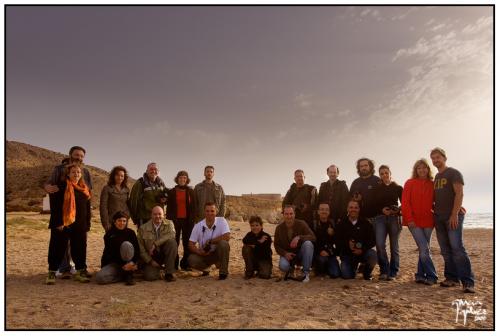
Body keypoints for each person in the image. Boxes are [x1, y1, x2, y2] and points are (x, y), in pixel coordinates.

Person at [430, 147, 475, 293]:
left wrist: (455, 214)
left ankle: (468, 282)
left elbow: (459, 194)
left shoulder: (454, 173)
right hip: (439, 217)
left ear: (444, 158)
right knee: (445, 250)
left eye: (438, 157)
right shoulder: (436, 177)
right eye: (433, 158)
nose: (435, 160)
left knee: (457, 248)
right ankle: (452, 278)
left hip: (452, 217)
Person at [44, 145, 93, 278]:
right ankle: (62, 268)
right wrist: (47, 187)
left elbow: (88, 193)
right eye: (77, 155)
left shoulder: (86, 172)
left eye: (82, 156)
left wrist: (87, 222)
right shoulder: (59, 171)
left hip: (79, 218)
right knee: (59, 244)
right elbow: (49, 186)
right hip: (63, 216)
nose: (79, 157)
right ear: (71, 154)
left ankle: (79, 269)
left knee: (79, 245)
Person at [401, 159, 438, 286]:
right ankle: (432, 276)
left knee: (424, 249)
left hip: (428, 221)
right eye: (419, 168)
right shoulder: (409, 183)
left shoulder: (432, 184)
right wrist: (410, 219)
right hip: (414, 222)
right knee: (424, 248)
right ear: (415, 170)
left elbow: (437, 201)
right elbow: (405, 203)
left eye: (424, 168)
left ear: (428, 169)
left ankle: (420, 275)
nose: (422, 170)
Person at [372, 165, 403, 281]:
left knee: (394, 246)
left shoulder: (398, 187)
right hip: (380, 218)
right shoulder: (377, 189)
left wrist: (398, 209)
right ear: (380, 176)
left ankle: (393, 272)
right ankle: (384, 270)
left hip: (394, 218)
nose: (384, 175)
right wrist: (382, 210)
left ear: (390, 173)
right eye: (382, 173)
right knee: (380, 245)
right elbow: (373, 204)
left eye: (386, 173)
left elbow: (404, 202)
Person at [188, 202, 231, 280]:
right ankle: (206, 269)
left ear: (216, 212)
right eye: (207, 211)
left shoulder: (222, 221)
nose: (209, 213)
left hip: (218, 253)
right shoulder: (198, 226)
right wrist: (199, 251)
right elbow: (191, 244)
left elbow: (227, 236)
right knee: (191, 259)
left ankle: (223, 272)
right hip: (204, 255)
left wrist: (211, 241)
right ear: (204, 212)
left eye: (212, 211)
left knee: (224, 244)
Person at [336, 200, 377, 280]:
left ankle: (366, 272)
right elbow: (337, 241)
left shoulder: (366, 223)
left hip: (362, 253)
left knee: (373, 255)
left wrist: (362, 249)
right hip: (347, 254)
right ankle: (354, 269)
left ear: (359, 209)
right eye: (351, 207)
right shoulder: (341, 224)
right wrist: (347, 244)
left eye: (356, 207)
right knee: (347, 276)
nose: (353, 209)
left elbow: (372, 240)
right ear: (347, 209)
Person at [95, 211, 140, 285]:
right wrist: (123, 266)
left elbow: (137, 250)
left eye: (124, 221)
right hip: (114, 263)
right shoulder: (109, 235)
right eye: (119, 220)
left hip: (129, 263)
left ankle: (128, 274)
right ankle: (122, 276)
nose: (122, 223)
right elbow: (110, 253)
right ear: (114, 221)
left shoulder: (131, 233)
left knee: (126, 245)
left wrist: (132, 263)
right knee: (100, 278)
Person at [274, 205, 316, 283]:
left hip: (300, 254)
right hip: (287, 255)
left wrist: (299, 237)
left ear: (294, 214)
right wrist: (285, 253)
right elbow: (276, 245)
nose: (289, 216)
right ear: (283, 215)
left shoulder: (302, 223)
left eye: (291, 213)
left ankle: (305, 273)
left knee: (308, 244)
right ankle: (291, 269)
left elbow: (313, 237)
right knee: (283, 266)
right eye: (286, 214)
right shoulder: (279, 228)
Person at [137, 206, 177, 282]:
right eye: (155, 214)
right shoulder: (143, 228)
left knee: (172, 243)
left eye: (159, 214)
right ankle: (160, 270)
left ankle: (169, 272)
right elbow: (140, 248)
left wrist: (155, 244)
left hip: (164, 255)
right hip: (151, 258)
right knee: (150, 277)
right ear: (151, 215)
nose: (157, 216)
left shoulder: (169, 224)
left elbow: (172, 235)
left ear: (164, 215)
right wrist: (150, 261)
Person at [166, 170, 196, 270]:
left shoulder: (191, 191)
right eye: (180, 178)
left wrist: (193, 219)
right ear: (177, 179)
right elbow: (168, 206)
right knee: (175, 242)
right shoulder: (171, 192)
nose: (182, 179)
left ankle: (185, 264)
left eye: (184, 178)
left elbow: (195, 205)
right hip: (174, 221)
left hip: (188, 221)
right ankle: (174, 264)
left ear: (187, 180)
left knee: (187, 243)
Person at [128, 163, 169, 227]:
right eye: (151, 169)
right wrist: (135, 219)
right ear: (147, 171)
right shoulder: (140, 183)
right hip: (144, 218)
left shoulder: (161, 183)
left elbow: (165, 197)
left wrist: (165, 200)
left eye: (155, 169)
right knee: (144, 237)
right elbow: (133, 202)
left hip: (158, 218)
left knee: (158, 236)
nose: (153, 171)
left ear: (158, 172)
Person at [313, 203, 340, 278]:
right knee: (322, 260)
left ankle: (329, 268)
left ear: (329, 212)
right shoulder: (314, 224)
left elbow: (338, 242)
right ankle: (318, 269)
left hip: (330, 253)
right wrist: (320, 251)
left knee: (336, 274)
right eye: (322, 209)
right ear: (318, 211)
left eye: (326, 210)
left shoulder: (333, 224)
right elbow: (312, 241)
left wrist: (333, 234)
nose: (324, 211)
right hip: (319, 254)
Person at [99, 166, 130, 232]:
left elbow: (128, 204)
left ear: (124, 177)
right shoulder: (107, 188)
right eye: (117, 175)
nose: (120, 177)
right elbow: (103, 207)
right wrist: (106, 224)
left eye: (122, 176)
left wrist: (127, 215)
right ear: (113, 176)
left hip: (123, 222)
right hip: (111, 222)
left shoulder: (126, 189)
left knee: (123, 241)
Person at [349, 158, 381, 222]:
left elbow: (383, 198)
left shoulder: (377, 180)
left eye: (366, 165)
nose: (364, 168)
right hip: (360, 218)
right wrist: (355, 200)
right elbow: (350, 199)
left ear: (370, 167)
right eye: (361, 166)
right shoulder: (355, 182)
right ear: (359, 168)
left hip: (377, 218)